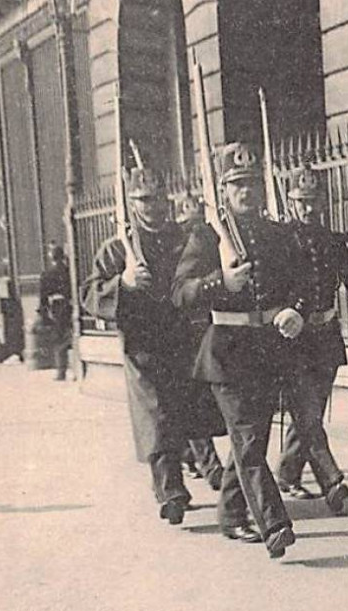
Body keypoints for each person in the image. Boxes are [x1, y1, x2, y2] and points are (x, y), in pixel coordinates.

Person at [171, 142, 310, 559]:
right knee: (249, 440)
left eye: (251, 183)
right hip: (226, 353)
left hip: (268, 350)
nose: (246, 191)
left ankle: (232, 513)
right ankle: (275, 524)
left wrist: (294, 311)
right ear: (224, 191)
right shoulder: (206, 234)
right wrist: (221, 284)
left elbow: (301, 284)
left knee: (253, 439)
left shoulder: (278, 234)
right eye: (236, 185)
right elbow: (180, 292)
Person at [81, 161, 217, 526]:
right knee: (156, 417)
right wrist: (123, 283)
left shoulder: (184, 238)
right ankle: (170, 490)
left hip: (183, 338)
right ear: (131, 202)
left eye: (157, 198)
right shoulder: (117, 248)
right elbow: (89, 294)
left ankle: (207, 467)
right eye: (143, 199)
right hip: (143, 345)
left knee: (188, 409)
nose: (152, 207)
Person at [272, 167, 348, 514]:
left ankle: (288, 472)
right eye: (301, 202)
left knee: (312, 409)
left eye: (313, 202)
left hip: (326, 335)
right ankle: (331, 479)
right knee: (306, 410)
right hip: (294, 338)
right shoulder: (279, 240)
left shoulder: (332, 241)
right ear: (290, 202)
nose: (308, 209)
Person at [173, 189, 226, 492]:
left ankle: (196, 458)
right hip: (183, 333)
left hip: (207, 326)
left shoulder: (209, 241)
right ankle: (209, 465)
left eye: (195, 221)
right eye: (186, 223)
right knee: (192, 401)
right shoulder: (174, 247)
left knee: (203, 402)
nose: (191, 228)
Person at [38, 242, 73, 381]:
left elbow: (43, 296)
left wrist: (44, 313)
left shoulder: (47, 274)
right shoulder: (68, 271)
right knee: (71, 335)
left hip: (56, 308)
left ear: (51, 258)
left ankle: (61, 371)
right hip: (69, 305)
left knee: (59, 339)